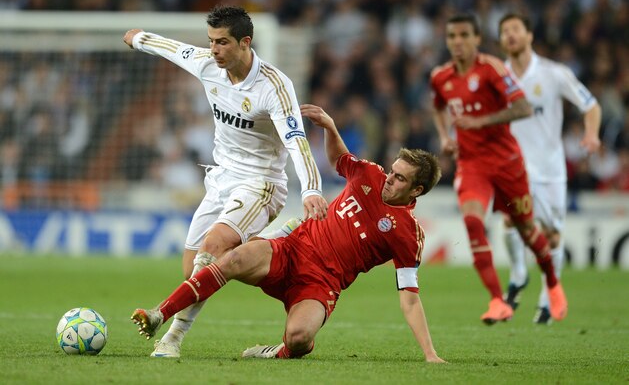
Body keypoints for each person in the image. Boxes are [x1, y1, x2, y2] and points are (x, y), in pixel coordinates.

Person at [131, 104, 446, 363]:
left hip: (322, 283)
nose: (389, 179)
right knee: (232, 258)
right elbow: (339, 160)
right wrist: (330, 128)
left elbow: (410, 299)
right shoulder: (371, 175)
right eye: (392, 171)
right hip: (291, 249)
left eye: (400, 178)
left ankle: (279, 352)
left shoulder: (407, 234)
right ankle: (161, 314)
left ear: (417, 190)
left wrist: (430, 354)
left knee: (298, 338)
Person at [123, 5, 328, 358]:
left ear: (245, 42)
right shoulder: (207, 63)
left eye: (222, 43)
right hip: (220, 180)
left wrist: (311, 189)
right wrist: (140, 39)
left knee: (214, 247)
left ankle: (170, 339)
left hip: (261, 184)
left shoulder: (275, 87)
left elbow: (297, 142)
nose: (214, 50)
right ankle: (274, 241)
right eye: (211, 41)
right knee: (194, 272)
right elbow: (173, 50)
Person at [429, 13, 567, 324]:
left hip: (507, 163)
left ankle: (554, 285)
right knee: (473, 223)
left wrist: (480, 121)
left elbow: (523, 107)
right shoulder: (441, 77)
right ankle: (496, 301)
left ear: (477, 39)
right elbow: (438, 105)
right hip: (472, 164)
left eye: (464, 35)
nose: (458, 42)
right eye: (452, 36)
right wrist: (444, 135)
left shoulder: (492, 69)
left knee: (528, 230)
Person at [498, 12, 601, 324]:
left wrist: (591, 133)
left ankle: (547, 297)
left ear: (530, 35)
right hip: (512, 168)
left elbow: (591, 104)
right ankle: (518, 272)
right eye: (504, 31)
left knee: (551, 236)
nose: (510, 35)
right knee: (509, 222)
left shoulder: (554, 74)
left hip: (550, 168)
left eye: (516, 29)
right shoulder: (496, 76)